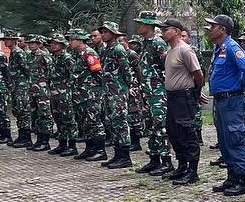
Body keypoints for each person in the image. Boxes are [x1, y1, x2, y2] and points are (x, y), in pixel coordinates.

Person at [207, 15, 245, 195]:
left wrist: (241, 86)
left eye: (213, 26)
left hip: (232, 100)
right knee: (224, 140)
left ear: (222, 29)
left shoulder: (231, 47)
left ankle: (241, 180)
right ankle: (232, 177)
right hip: (221, 100)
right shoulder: (219, 48)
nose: (209, 29)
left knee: (235, 138)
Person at [161, 19, 207, 185]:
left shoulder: (185, 50)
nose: (163, 32)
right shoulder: (170, 51)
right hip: (172, 97)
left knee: (188, 133)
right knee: (174, 132)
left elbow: (198, 74)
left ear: (176, 31)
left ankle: (192, 171)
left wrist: (196, 92)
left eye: (166, 29)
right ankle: (182, 166)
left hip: (184, 96)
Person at [134, 11, 173, 176]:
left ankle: (166, 161)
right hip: (147, 91)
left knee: (161, 125)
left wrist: (163, 87)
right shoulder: (144, 43)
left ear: (149, 25)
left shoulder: (158, 43)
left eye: (141, 23)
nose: (138, 26)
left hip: (158, 91)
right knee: (150, 126)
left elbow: (167, 66)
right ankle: (154, 159)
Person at [96, 22, 134, 169]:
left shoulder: (118, 49)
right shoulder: (105, 50)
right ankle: (117, 154)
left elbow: (126, 71)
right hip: (108, 91)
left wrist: (126, 88)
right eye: (102, 32)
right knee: (112, 123)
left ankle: (125, 156)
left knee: (120, 123)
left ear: (113, 33)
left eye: (106, 32)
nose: (103, 34)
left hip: (118, 92)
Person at [70, 29, 107, 161]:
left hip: (91, 94)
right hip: (81, 94)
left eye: (72, 40)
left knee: (94, 122)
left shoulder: (89, 53)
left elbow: (98, 73)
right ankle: (90, 148)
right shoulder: (76, 54)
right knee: (85, 123)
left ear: (80, 40)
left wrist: (98, 92)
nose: (70, 42)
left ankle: (100, 150)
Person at [46, 33, 79, 157]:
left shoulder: (67, 58)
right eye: (52, 43)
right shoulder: (53, 57)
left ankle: (72, 146)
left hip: (64, 94)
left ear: (63, 45)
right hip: (54, 93)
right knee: (58, 119)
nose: (53, 45)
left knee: (69, 120)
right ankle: (62, 144)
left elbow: (74, 75)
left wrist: (67, 89)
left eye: (56, 43)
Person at [3, 30, 33, 148]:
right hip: (15, 86)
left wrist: (26, 84)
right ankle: (22, 136)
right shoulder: (13, 53)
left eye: (8, 39)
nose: (6, 42)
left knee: (23, 111)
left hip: (21, 87)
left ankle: (26, 138)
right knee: (17, 111)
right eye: (5, 39)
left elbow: (27, 70)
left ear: (14, 40)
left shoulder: (19, 53)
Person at [25, 34, 55, 152]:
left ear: (38, 44)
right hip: (33, 90)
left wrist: (46, 85)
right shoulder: (29, 56)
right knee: (35, 115)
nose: (31, 45)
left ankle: (45, 141)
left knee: (45, 115)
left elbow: (51, 71)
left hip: (43, 90)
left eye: (33, 43)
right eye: (29, 43)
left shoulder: (44, 55)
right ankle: (39, 140)